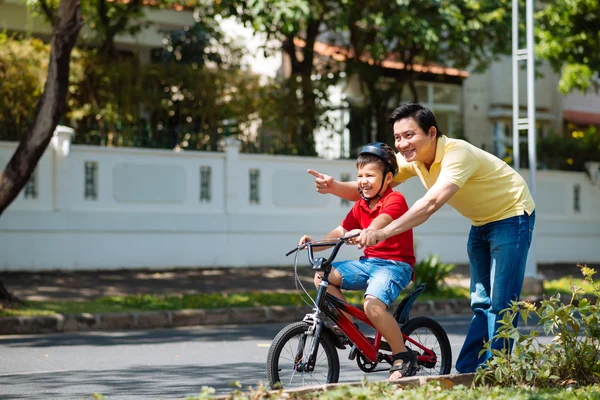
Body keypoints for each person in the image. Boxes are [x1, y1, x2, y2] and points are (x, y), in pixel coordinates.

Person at [308, 103, 536, 373]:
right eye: (397, 137)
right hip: (481, 222)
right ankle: (469, 370)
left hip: (512, 215)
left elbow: (430, 204)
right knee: (481, 301)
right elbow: (372, 187)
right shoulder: (413, 161)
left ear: (431, 132)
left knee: (501, 302)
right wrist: (333, 187)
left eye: (409, 135)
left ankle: (498, 371)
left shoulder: (457, 154)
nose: (402, 144)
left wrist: (382, 231)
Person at [300, 142, 417, 380]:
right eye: (360, 175)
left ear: (388, 179)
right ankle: (348, 327)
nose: (363, 181)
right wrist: (315, 243)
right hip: (369, 263)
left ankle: (402, 357)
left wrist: (368, 232)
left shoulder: (395, 200)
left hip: (395, 266)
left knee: (372, 306)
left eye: (370, 175)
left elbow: (381, 222)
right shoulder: (361, 204)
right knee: (322, 276)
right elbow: (341, 230)